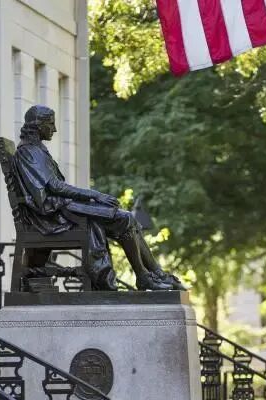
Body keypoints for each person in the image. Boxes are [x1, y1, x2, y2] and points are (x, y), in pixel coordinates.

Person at [12, 105, 184, 291]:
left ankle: (154, 274)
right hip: (50, 216)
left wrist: (93, 197)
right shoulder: (28, 151)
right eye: (50, 124)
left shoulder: (36, 149)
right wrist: (95, 194)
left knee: (127, 219)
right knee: (125, 218)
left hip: (60, 210)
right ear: (38, 125)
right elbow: (55, 186)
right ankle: (144, 276)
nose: (54, 129)